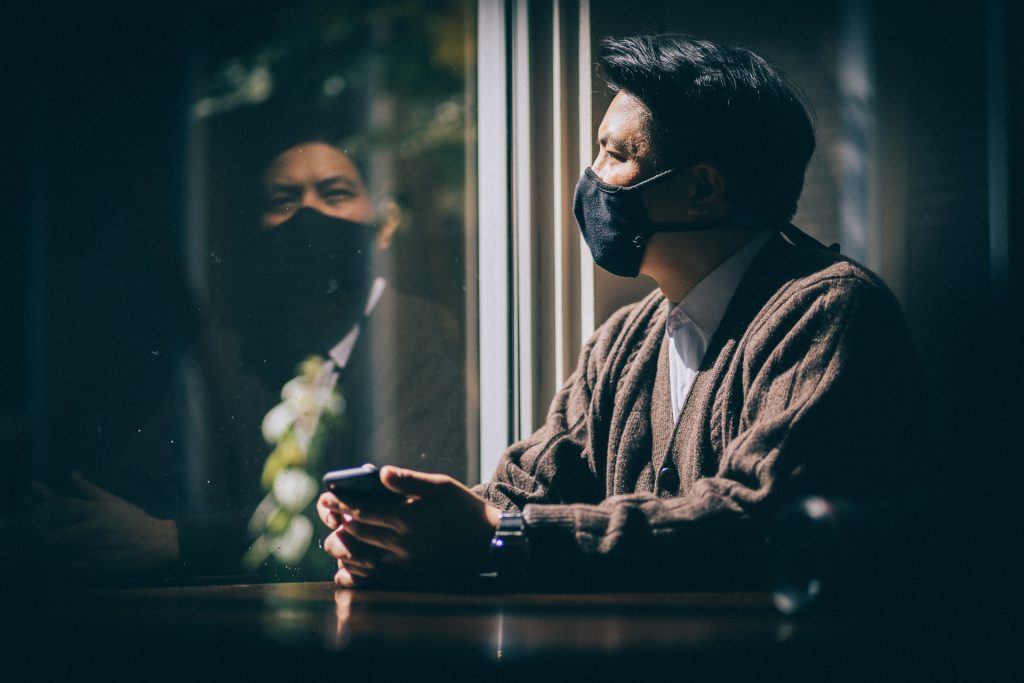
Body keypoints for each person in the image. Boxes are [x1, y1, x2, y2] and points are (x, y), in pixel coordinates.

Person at [316, 34, 927, 590]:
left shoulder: (830, 313)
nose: (591, 179)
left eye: (614, 155)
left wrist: (500, 536)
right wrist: (401, 529)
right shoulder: (624, 341)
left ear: (701, 190)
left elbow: (754, 521)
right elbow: (525, 492)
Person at [13, 140, 464, 580]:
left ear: (383, 226)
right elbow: (145, 481)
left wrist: (177, 541)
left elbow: (390, 515)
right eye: (285, 201)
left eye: (335, 193)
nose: (309, 214)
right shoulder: (233, 348)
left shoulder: (416, 332)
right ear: (258, 230)